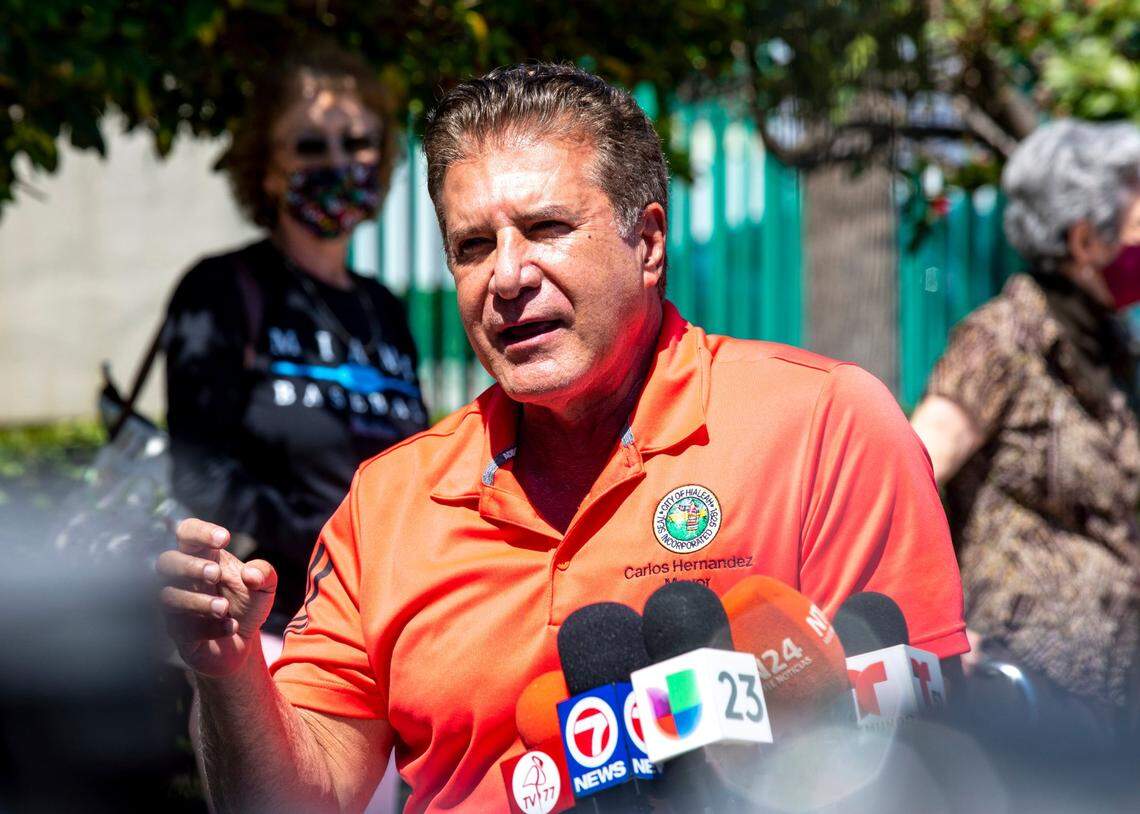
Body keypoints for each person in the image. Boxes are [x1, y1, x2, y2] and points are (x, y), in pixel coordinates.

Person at [158, 64, 968, 812]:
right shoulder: (389, 501)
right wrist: (226, 675)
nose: (506, 277)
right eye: (473, 246)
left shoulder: (826, 427)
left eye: (545, 227)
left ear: (647, 242)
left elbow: (919, 757)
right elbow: (297, 795)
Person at [163, 44, 428, 642]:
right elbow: (201, 474)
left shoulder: (381, 307)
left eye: (357, 143)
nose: (338, 161)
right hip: (270, 628)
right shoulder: (222, 289)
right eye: (310, 146)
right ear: (267, 167)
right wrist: (324, 552)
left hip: (388, 625)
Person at [911, 120, 1140, 737]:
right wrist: (936, 632)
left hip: (1112, 693)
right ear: (1085, 238)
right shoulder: (1001, 341)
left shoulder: (1112, 350)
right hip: (1025, 692)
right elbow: (909, 476)